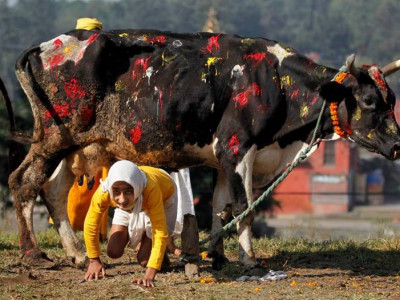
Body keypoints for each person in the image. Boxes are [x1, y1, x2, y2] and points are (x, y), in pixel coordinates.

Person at [84, 160, 182, 287]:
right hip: (133, 203)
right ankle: (144, 238)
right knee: (113, 251)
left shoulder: (151, 189)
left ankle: (153, 246)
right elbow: (91, 224)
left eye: (128, 191)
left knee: (144, 260)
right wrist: (94, 261)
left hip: (162, 198)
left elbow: (159, 231)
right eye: (117, 191)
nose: (122, 199)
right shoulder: (105, 192)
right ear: (110, 188)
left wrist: (150, 274)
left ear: (136, 187)